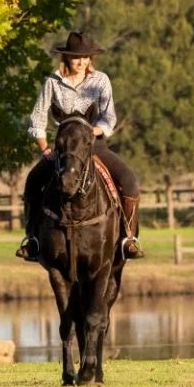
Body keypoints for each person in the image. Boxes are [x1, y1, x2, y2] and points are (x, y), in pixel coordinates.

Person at [16, 31, 145, 261]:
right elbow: (37, 117)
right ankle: (33, 239)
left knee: (130, 181)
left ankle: (128, 238)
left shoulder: (101, 80)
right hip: (64, 148)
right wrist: (45, 147)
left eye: (86, 57)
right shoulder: (52, 82)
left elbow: (109, 118)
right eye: (77, 57)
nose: (81, 62)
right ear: (66, 58)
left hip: (95, 145)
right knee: (33, 181)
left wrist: (88, 132)